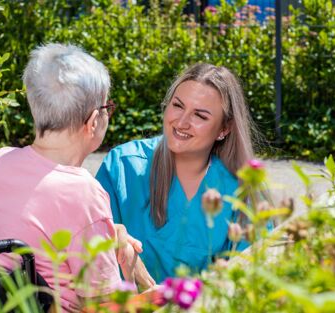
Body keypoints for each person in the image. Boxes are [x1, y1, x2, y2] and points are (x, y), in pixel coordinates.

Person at [0, 43, 142, 311]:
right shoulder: (82, 193)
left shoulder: (1, 161)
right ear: (92, 122)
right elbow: (103, 306)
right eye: (107, 107)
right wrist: (131, 272)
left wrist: (106, 231)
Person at [96, 63, 256, 283]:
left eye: (200, 116)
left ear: (224, 129)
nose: (181, 122)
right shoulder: (123, 167)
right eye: (178, 106)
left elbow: (253, 278)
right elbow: (92, 254)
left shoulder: (241, 190)